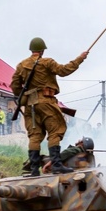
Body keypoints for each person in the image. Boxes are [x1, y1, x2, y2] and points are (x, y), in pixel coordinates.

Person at [10, 37, 88, 176]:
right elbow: (64, 70)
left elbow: (15, 85)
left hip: (30, 103)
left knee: (35, 135)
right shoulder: (47, 62)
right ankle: (57, 165)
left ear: (32, 50)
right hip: (46, 101)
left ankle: (34, 170)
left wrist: (22, 97)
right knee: (56, 131)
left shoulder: (21, 65)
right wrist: (80, 58)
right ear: (42, 51)